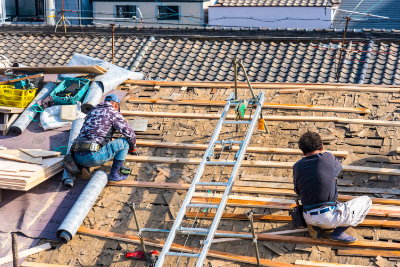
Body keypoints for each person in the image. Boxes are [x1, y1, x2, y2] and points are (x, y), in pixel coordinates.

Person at [293, 132, 372, 243]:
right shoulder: (328, 157)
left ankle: (314, 226)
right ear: (322, 147)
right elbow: (338, 169)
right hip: (329, 217)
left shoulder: (297, 166)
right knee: (366, 201)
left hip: (307, 216)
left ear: (302, 151)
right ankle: (337, 233)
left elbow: (298, 191)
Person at [70, 94, 137, 184]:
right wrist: (132, 149)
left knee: (94, 140)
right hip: (92, 157)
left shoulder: (92, 112)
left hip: (76, 155)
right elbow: (130, 134)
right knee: (124, 142)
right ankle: (114, 174)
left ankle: (84, 167)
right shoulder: (113, 113)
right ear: (116, 105)